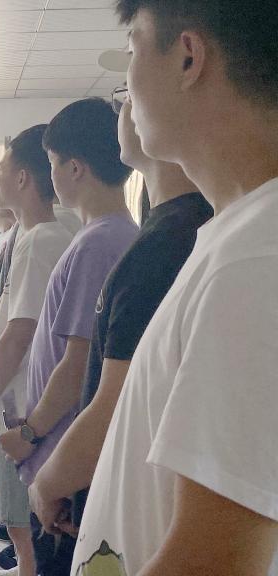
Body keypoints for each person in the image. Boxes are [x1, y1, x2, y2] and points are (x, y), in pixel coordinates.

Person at [73, 1, 278, 574]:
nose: (127, 92)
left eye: (133, 52)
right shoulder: (235, 234)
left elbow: (215, 559)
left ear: (188, 58)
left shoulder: (257, 254)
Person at [29, 92, 213, 545]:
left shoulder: (163, 243)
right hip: (98, 469)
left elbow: (112, 394)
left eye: (128, 96)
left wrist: (49, 478)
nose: (123, 108)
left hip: (106, 476)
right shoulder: (162, 229)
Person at [0, 98, 139, 575]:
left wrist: (31, 434)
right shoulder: (103, 235)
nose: (50, 175)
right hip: (61, 447)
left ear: (75, 168)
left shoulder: (99, 243)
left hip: (62, 449)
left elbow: (77, 362)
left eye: (54, 163)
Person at [0, 125, 77, 576]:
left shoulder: (43, 238)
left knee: (22, 522)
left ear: (24, 177)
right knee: (22, 519)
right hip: (21, 397)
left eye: (1, 170)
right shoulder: (40, 233)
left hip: (19, 400)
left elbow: (22, 330)